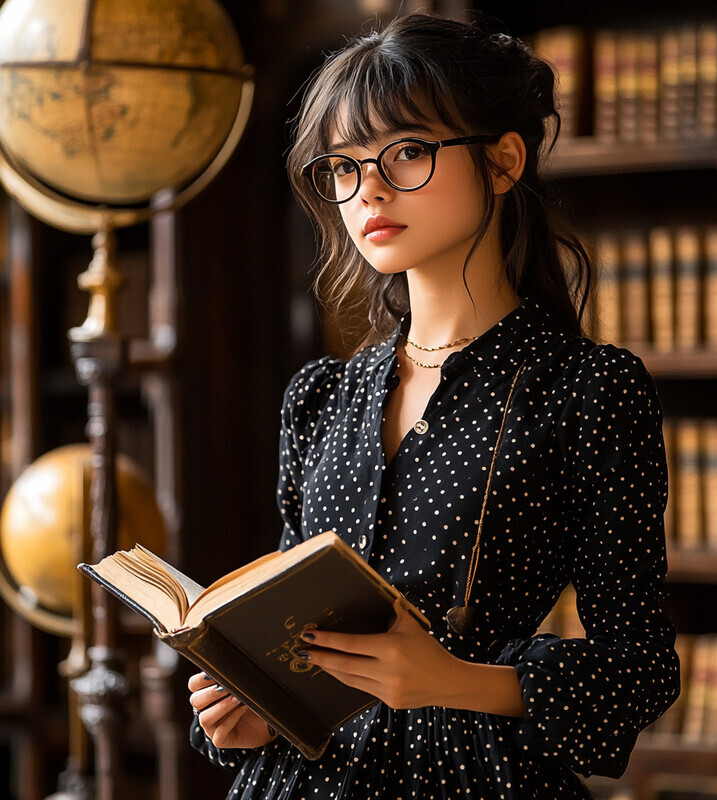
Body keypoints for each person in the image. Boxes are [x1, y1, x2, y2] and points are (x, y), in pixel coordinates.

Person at [187, 12, 680, 799]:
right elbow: (286, 629)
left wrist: (453, 679)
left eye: (407, 152)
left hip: (476, 778)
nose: (368, 190)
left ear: (503, 160)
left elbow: (638, 672)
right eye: (342, 168)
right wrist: (255, 709)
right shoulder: (321, 398)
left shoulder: (588, 392)